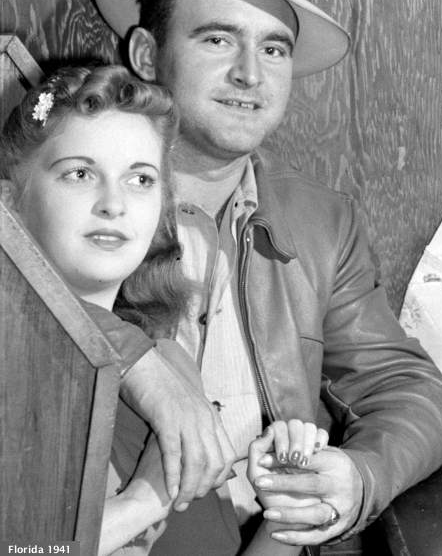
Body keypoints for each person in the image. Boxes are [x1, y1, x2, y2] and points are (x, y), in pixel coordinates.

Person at [91, 0, 442, 550]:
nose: (250, 74)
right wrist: (140, 360)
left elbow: (404, 387)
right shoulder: (74, 200)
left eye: (273, 48)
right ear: (147, 53)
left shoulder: (322, 223)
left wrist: (359, 477)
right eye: (217, 39)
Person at [0, 65, 328, 555]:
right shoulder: (16, 371)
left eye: (140, 179)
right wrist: (145, 500)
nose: (113, 204)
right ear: (10, 201)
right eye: (80, 173)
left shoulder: (173, 370)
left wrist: (287, 514)